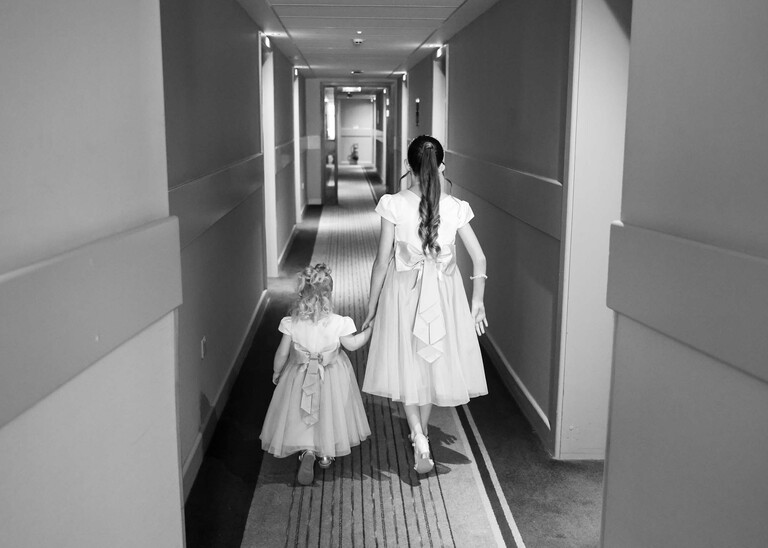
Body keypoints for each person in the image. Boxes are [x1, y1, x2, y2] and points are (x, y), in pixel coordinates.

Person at [362, 135, 488, 474]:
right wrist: (477, 302)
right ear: (442, 166)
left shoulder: (392, 204)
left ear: (408, 166)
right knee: (431, 359)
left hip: (404, 292)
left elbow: (382, 261)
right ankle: (423, 434)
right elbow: (479, 259)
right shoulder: (456, 207)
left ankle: (417, 432)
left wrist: (371, 306)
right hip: (444, 294)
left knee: (406, 358)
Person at [260, 263, 372, 485]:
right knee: (330, 410)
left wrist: (277, 371)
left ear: (302, 294)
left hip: (300, 374)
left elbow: (282, 353)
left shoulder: (291, 323)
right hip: (330, 376)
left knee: (302, 412)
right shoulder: (339, 323)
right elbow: (352, 345)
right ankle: (326, 452)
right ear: (329, 295)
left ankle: (308, 450)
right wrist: (371, 330)